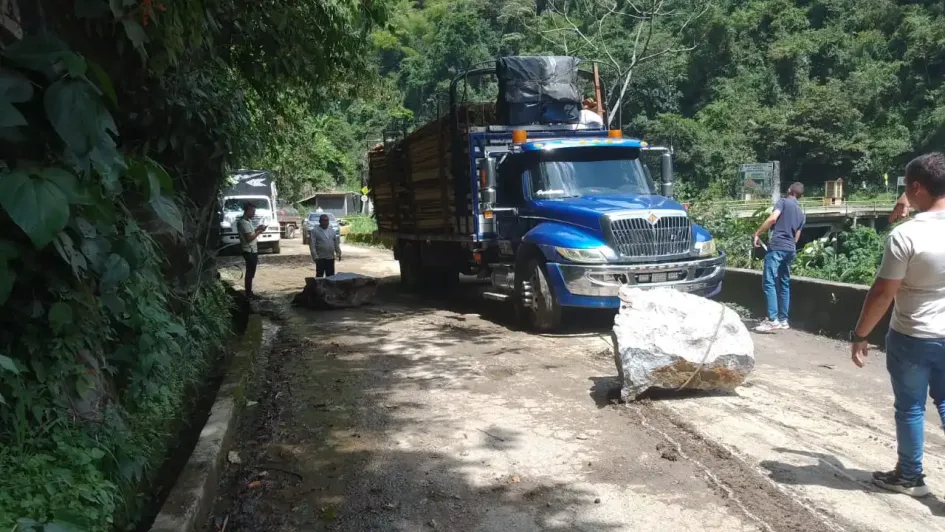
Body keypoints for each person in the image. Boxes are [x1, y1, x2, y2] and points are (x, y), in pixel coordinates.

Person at [850, 152, 945, 497]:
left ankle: (910, 476)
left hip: (913, 336)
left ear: (917, 187)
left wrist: (860, 335)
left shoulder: (906, 235)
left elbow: (882, 293)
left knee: (911, 407)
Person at [752, 182, 807, 332]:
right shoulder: (802, 214)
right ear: (800, 195)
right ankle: (783, 320)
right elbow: (797, 237)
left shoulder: (782, 202)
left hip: (777, 246)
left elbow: (772, 219)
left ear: (789, 190)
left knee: (769, 281)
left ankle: (772, 320)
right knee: (784, 283)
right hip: (790, 249)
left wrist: (758, 233)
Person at [237, 202, 267, 299]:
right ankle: (248, 293)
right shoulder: (243, 222)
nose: (254, 213)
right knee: (250, 273)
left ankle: (249, 292)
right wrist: (259, 231)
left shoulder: (247, 221)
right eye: (253, 211)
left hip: (252, 250)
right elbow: (249, 237)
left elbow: (250, 232)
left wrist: (257, 229)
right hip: (249, 251)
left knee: (251, 272)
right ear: (247, 210)